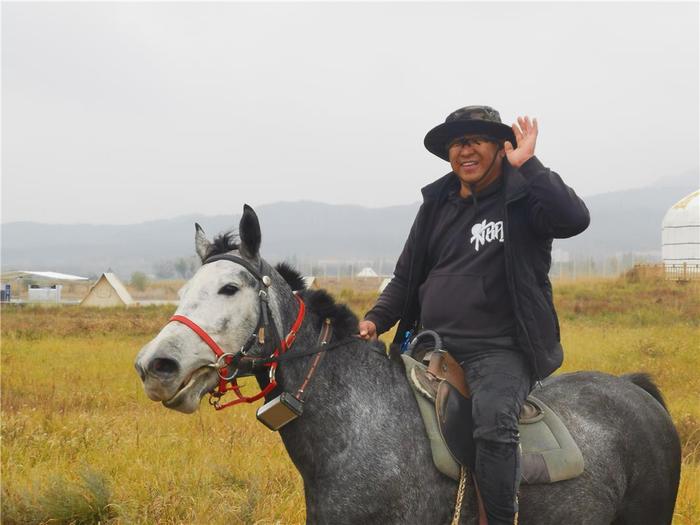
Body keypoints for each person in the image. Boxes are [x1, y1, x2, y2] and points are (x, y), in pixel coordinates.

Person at [358, 105, 590, 524]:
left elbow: (574, 219)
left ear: (501, 147)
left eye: (475, 141)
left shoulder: (523, 197)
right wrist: (375, 319)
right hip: (433, 346)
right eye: (456, 143)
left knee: (493, 423)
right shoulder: (436, 204)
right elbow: (406, 277)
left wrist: (531, 166)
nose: (464, 151)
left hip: (499, 350)